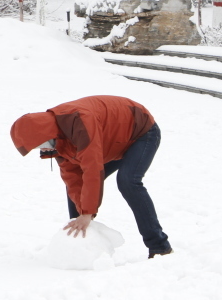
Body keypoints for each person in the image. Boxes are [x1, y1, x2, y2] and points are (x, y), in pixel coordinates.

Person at [10, 95, 172, 258]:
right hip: (112, 143)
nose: (42, 150)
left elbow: (92, 168)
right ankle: (79, 243)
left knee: (128, 181)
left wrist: (87, 212)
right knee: (77, 189)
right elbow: (73, 178)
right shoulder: (59, 142)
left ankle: (160, 247)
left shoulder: (79, 122)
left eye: (40, 145)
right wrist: (82, 215)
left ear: (44, 134)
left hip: (140, 133)